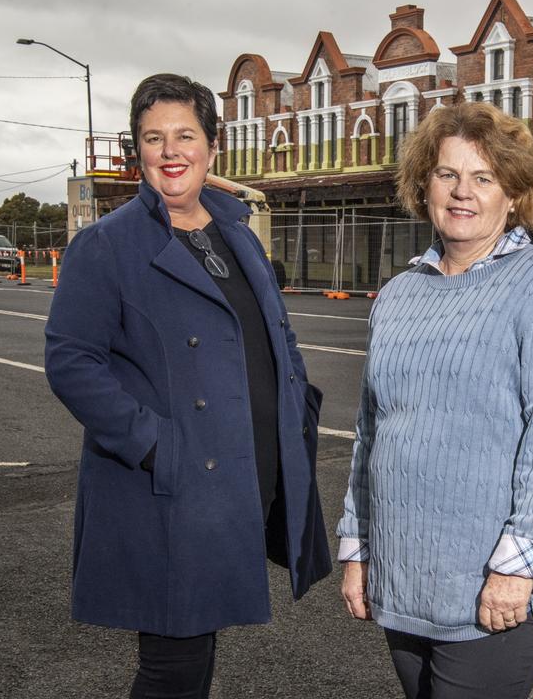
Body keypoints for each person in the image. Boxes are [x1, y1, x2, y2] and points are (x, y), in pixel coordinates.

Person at [44, 73, 331, 699]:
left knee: (198, 648)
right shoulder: (106, 245)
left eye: (185, 135)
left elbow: (274, 334)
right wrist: (154, 445)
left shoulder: (235, 232)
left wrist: (295, 410)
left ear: (211, 146)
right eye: (154, 138)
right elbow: (71, 361)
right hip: (172, 479)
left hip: (246, 472)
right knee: (174, 661)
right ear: (137, 151)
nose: (171, 152)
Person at [336, 100, 533, 699]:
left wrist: (516, 569)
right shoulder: (401, 294)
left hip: (493, 590)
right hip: (405, 582)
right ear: (423, 184)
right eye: (447, 174)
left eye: (483, 178)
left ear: (514, 195)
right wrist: (359, 544)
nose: (463, 192)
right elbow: (371, 434)